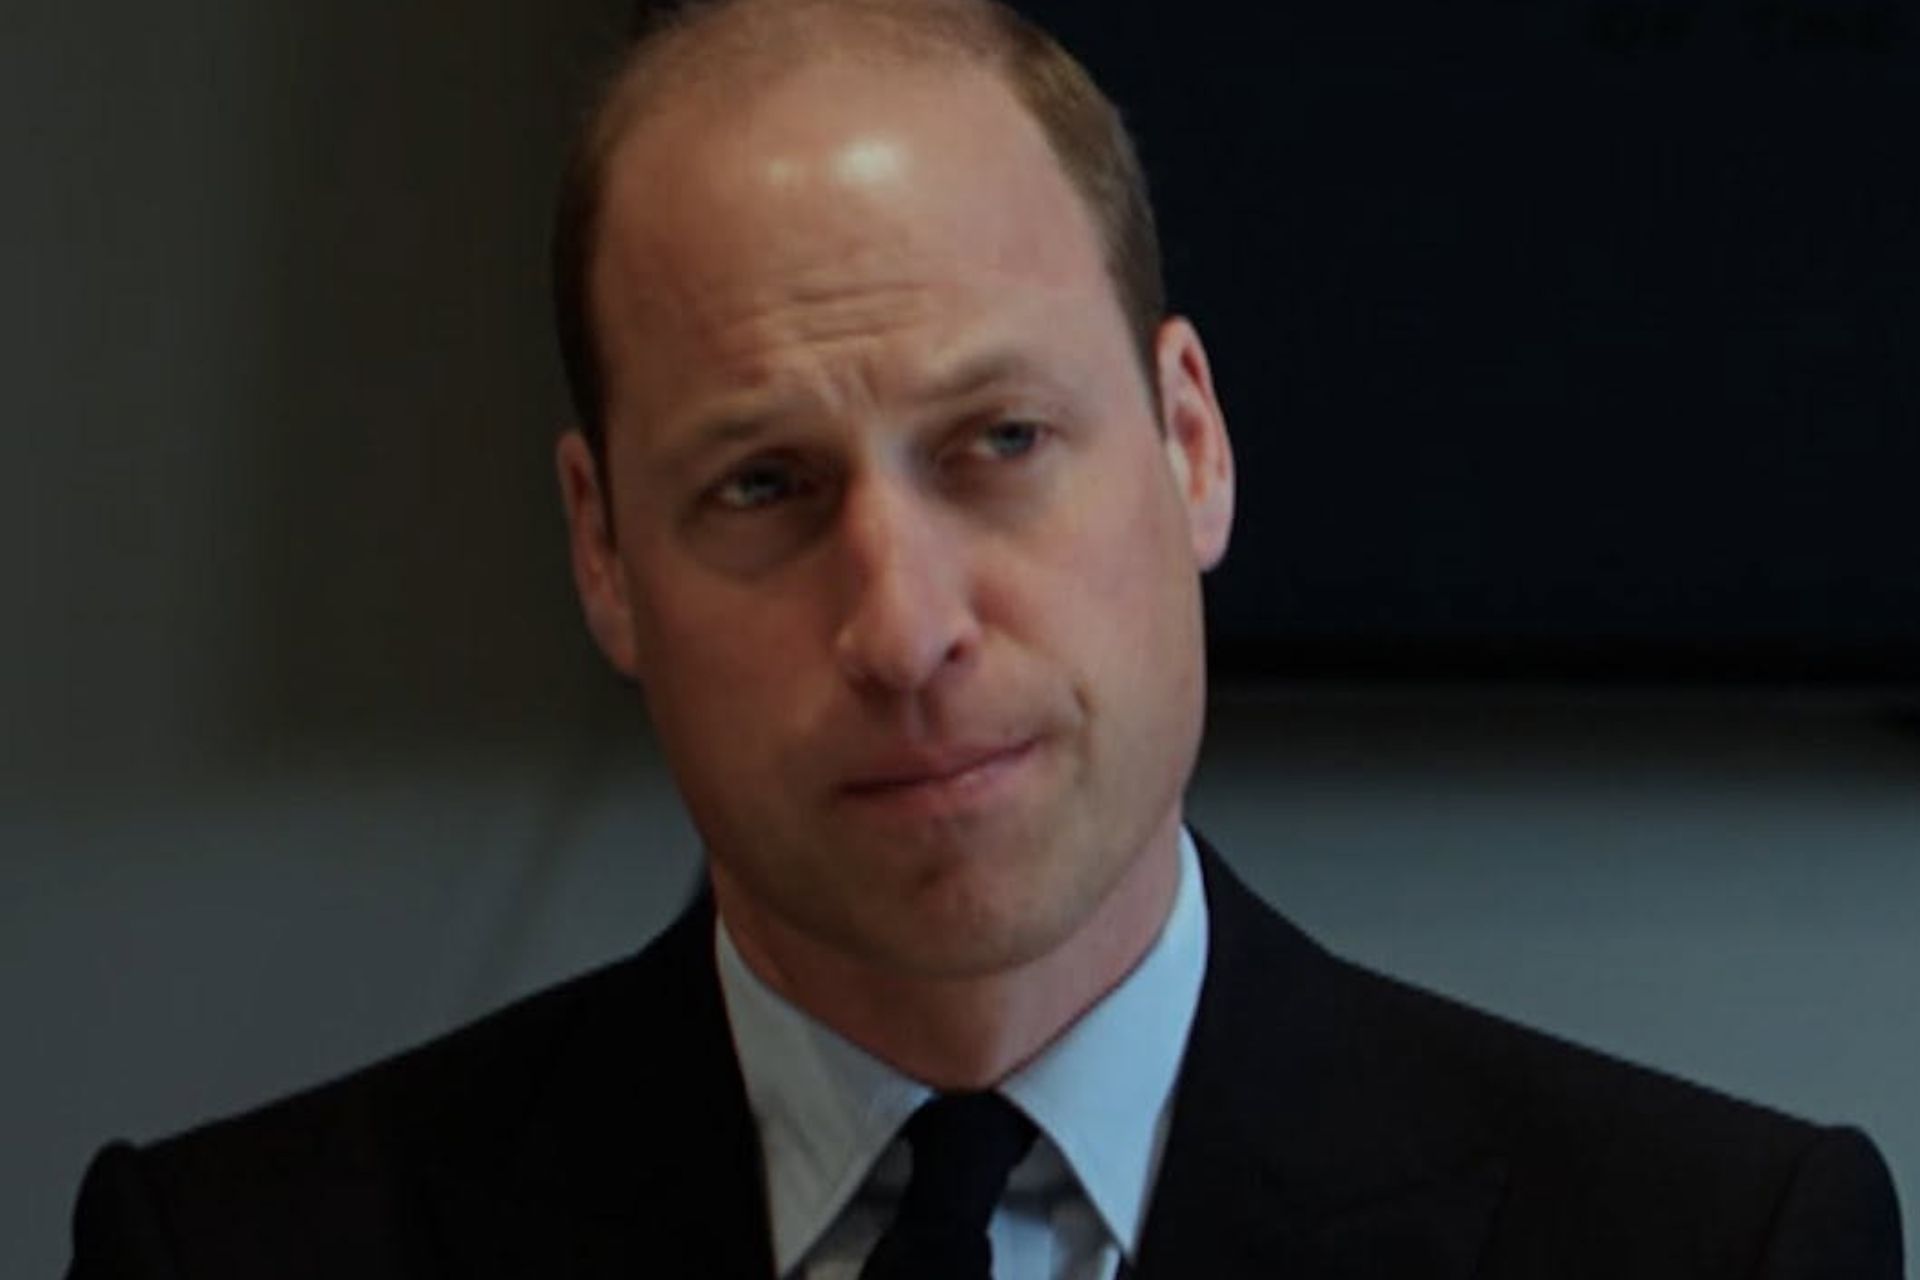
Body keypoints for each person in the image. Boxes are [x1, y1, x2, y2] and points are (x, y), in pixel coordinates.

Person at [68, 0, 1902, 1276]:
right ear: (602, 551)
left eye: (1001, 442)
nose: (903, 627)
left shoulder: (1712, 1245)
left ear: (1191, 443)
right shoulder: (227, 1254)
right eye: (764, 486)